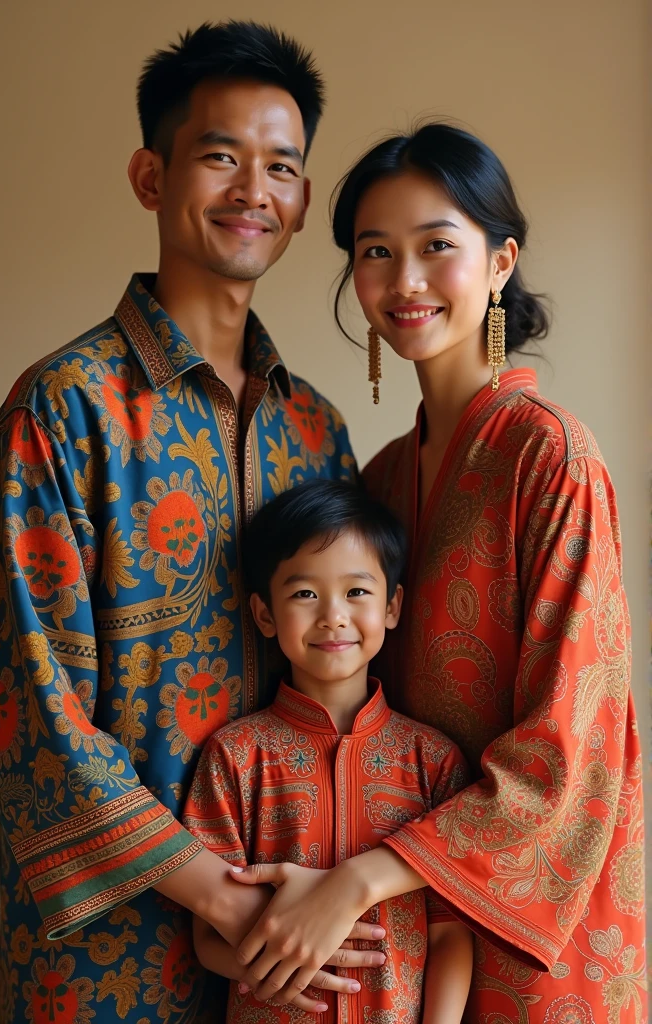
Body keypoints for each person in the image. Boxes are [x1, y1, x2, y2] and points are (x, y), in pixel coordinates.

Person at [0, 21, 387, 1024]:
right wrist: (213, 890)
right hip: (114, 956)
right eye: (219, 156)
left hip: (295, 957)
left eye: (281, 166)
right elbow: (23, 712)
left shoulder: (314, 428)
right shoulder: (61, 410)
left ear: (299, 202)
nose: (253, 188)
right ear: (150, 177)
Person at [222, 124, 647, 1024]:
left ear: (500, 262)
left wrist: (359, 881)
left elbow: (574, 742)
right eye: (376, 252)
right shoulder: (379, 480)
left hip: (528, 924)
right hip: (399, 935)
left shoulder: (551, 454)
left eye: (436, 247)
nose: (404, 281)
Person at [183, 479, 473, 1024]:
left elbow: (452, 932)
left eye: (357, 592)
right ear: (265, 615)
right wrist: (274, 967)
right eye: (304, 594)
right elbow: (206, 937)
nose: (332, 615)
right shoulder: (236, 757)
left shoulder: (433, 761)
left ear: (392, 606)